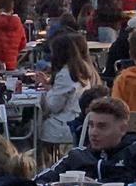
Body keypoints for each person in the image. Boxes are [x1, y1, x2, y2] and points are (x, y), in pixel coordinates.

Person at [37, 95, 136, 186]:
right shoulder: (78, 155)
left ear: (122, 129)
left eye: (102, 126)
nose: (93, 132)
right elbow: (39, 181)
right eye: (91, 125)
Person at [40, 32, 101, 161]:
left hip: (65, 123)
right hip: (77, 118)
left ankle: (41, 162)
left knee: (34, 126)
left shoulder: (65, 74)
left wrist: (48, 92)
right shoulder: (82, 69)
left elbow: (54, 106)